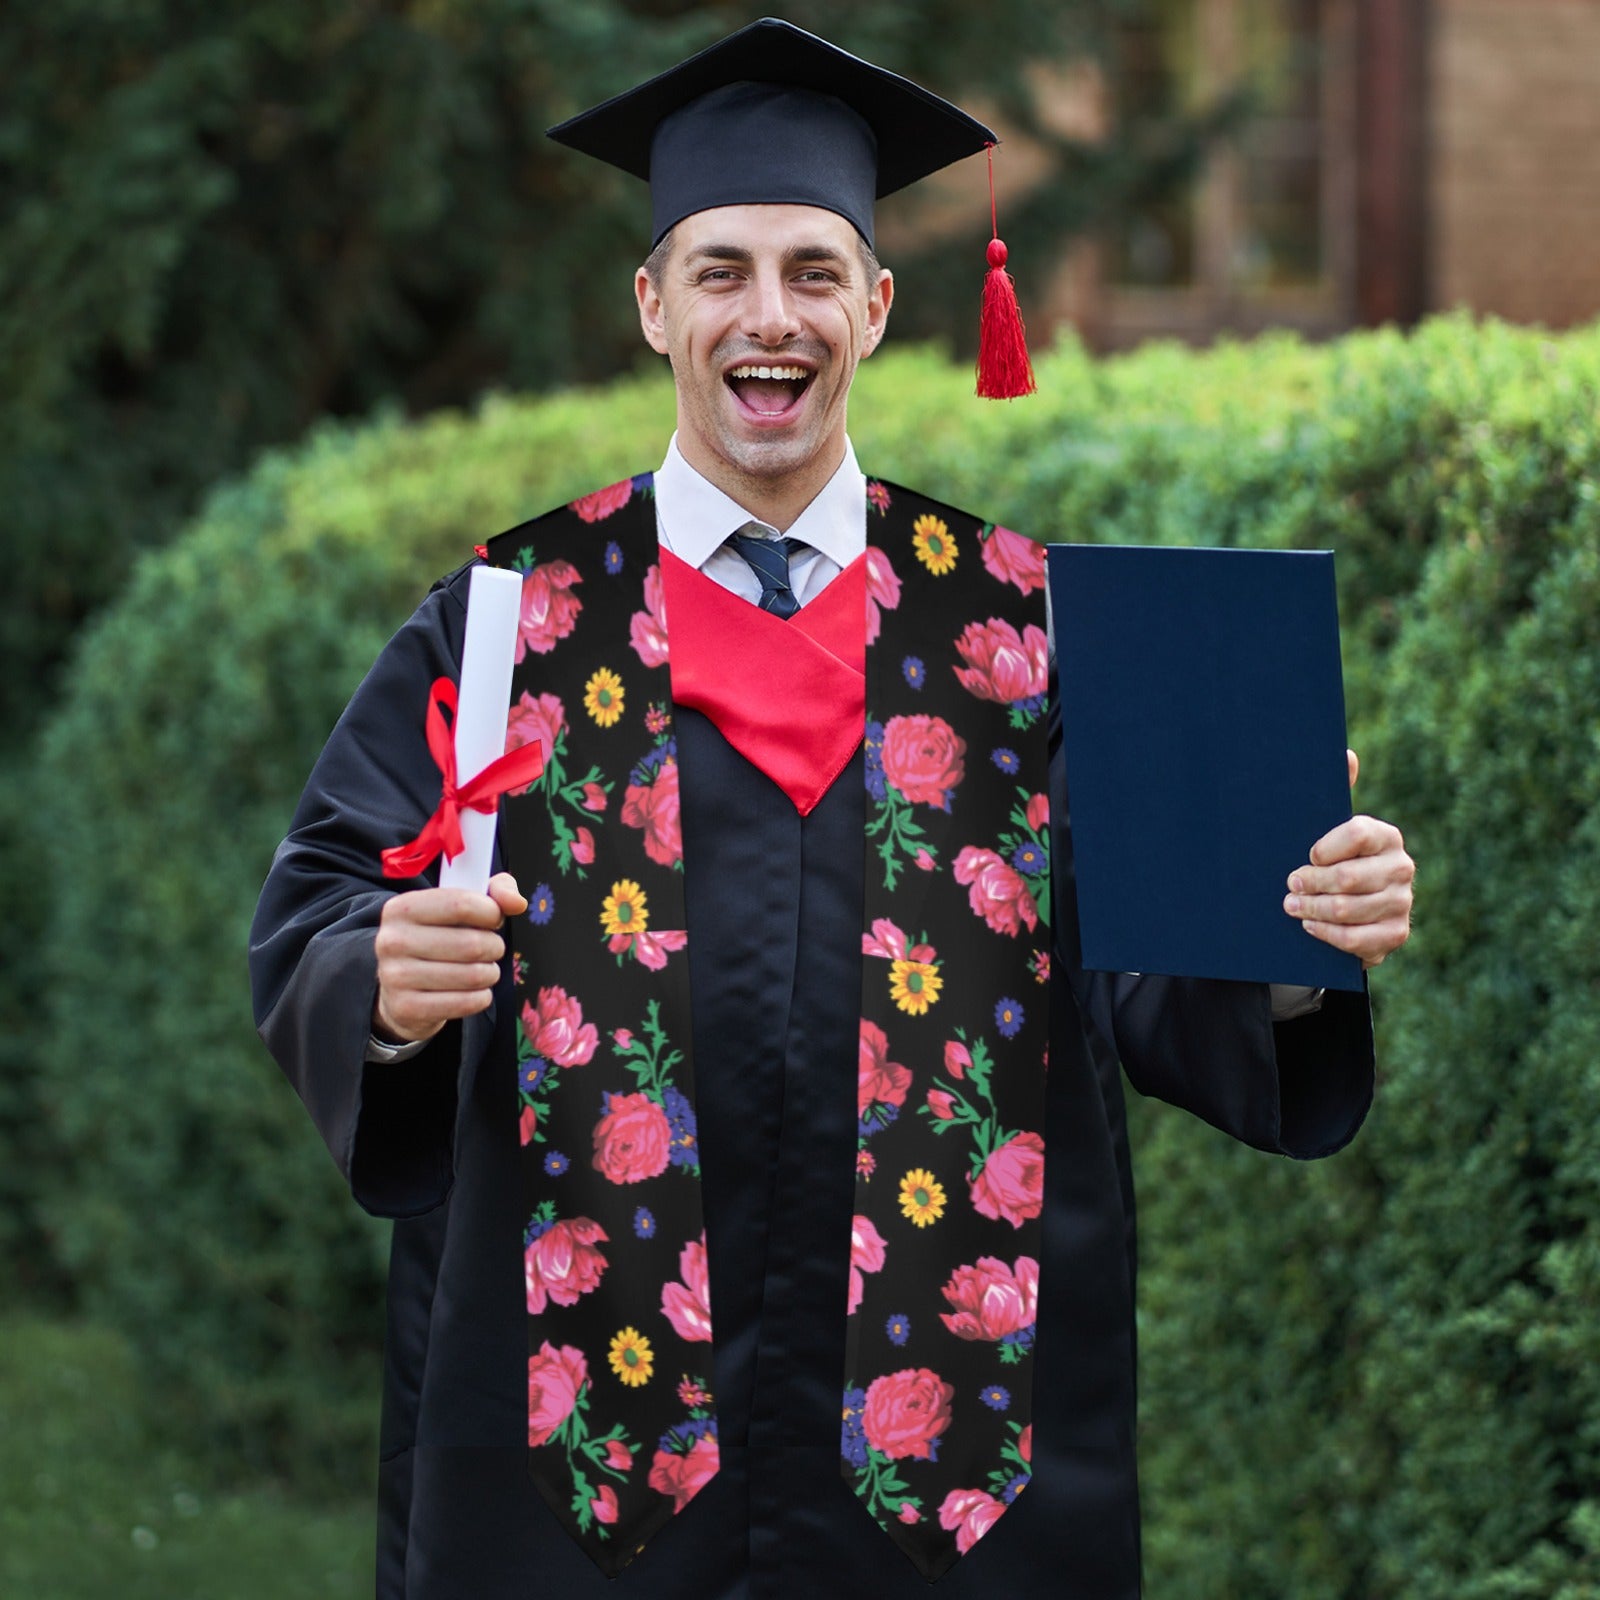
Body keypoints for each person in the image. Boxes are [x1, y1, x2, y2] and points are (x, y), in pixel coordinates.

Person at [249, 19, 1414, 1600]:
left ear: (877, 304)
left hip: (955, 1461)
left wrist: (1293, 933)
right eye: (721, 270)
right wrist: (379, 983)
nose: (768, 316)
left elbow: (1152, 974)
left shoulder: (1023, 632)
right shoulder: (514, 622)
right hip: (588, 1451)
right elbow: (324, 900)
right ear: (654, 305)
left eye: (812, 270)